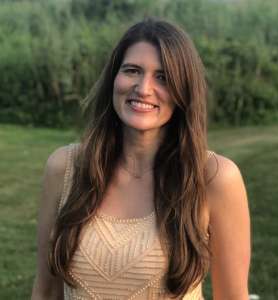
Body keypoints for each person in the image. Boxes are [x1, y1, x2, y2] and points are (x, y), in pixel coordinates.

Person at [31, 18, 251, 300]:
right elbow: (46, 291)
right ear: (114, 78)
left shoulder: (214, 178)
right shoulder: (64, 167)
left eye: (163, 77)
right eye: (132, 71)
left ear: (184, 90)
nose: (143, 88)